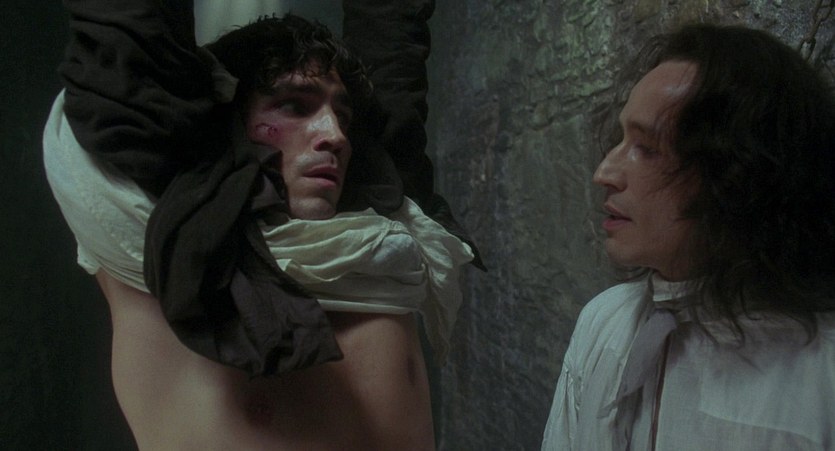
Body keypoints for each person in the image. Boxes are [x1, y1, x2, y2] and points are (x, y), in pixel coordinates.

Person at [44, 1, 477, 449]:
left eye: (343, 115)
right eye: (294, 105)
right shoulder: (162, 243)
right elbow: (128, 38)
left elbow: (391, 34)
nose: (335, 134)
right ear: (229, 122)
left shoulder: (376, 221)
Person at [542, 23, 835, 451]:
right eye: (621, 139)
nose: (603, 173)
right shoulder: (604, 323)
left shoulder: (819, 371)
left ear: (735, 174)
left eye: (648, 148)